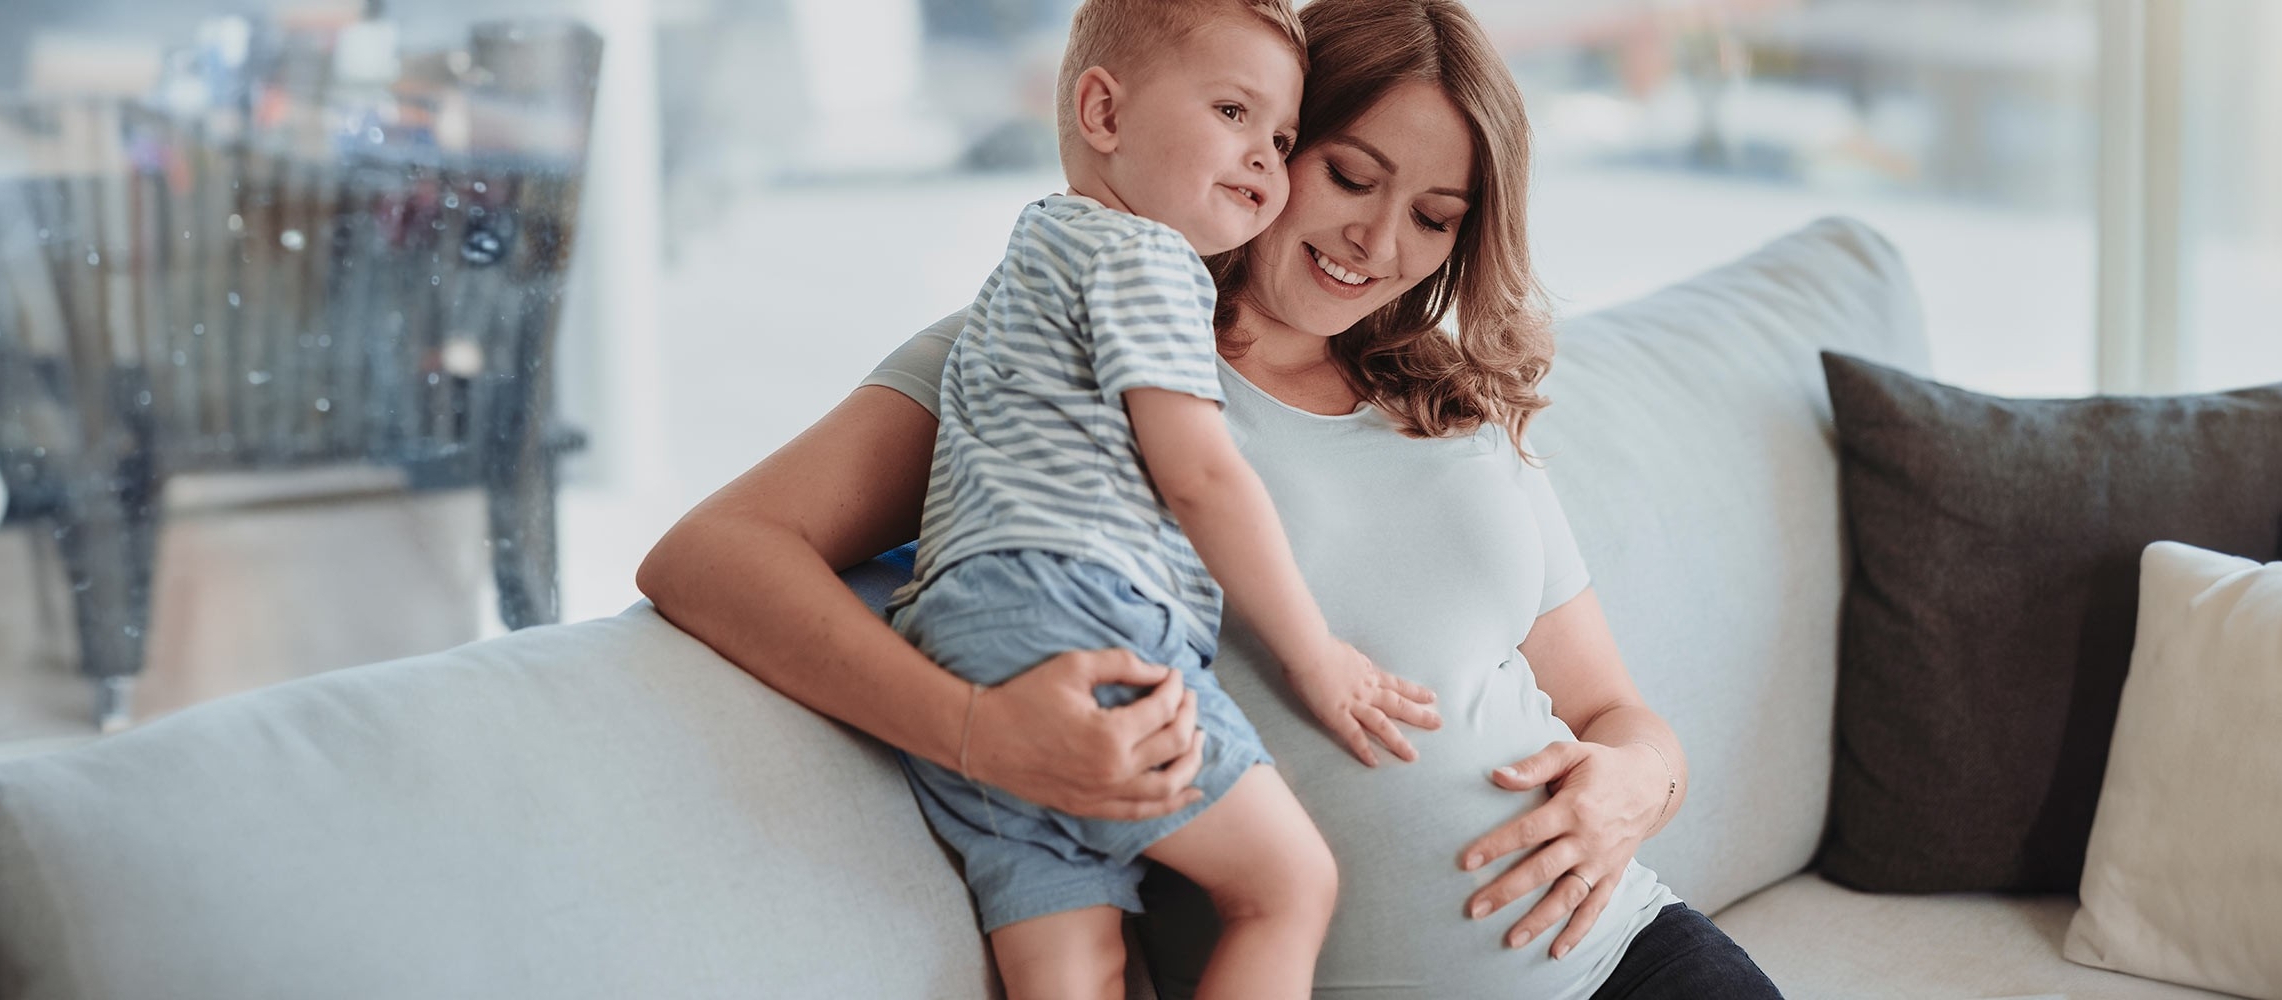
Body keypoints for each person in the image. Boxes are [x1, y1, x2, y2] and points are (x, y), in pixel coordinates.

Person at [637, 1, 1783, 996]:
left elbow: (1615, 712)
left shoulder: (1455, 409)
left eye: (1435, 217)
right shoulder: (1057, 337)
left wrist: (1639, 784)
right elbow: (714, 554)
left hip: (1627, 956)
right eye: (1348, 173)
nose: (1379, 244)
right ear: (1270, 140)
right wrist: (981, 734)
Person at [877, 0, 1441, 996]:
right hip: (1079, 612)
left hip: (964, 633)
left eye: (1281, 138)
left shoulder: (1035, 253)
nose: (1265, 161)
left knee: (1079, 963)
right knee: (1288, 887)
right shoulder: (1146, 257)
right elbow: (1201, 472)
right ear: (1103, 112)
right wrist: (1318, 658)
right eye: (1233, 113)